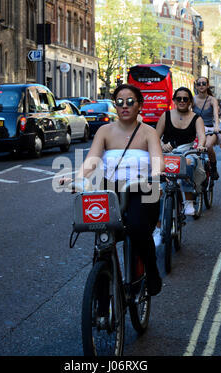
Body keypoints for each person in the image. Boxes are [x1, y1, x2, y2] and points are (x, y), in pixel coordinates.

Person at [60, 84, 165, 296]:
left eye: (130, 102)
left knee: (136, 228)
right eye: (119, 102)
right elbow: (91, 160)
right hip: (111, 189)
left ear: (140, 106)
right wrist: (78, 178)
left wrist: (155, 177)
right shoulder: (104, 131)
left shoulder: (148, 132)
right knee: (102, 238)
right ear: (115, 106)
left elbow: (158, 162)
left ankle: (151, 271)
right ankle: (100, 298)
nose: (124, 106)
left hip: (142, 189)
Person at [155, 86, 206, 223]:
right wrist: (161, 145)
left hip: (187, 153)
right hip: (167, 153)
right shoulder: (165, 116)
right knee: (157, 188)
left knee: (188, 163)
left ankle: (188, 201)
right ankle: (158, 226)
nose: (182, 101)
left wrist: (200, 146)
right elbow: (155, 137)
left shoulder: (197, 118)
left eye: (185, 99)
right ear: (174, 100)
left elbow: (202, 136)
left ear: (190, 102)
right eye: (179, 98)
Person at [193, 77, 221, 180]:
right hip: (195, 129)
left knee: (208, 146)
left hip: (210, 130)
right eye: (199, 83)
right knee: (190, 149)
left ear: (207, 85)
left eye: (204, 83)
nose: (201, 85)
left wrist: (216, 126)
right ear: (196, 86)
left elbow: (216, 115)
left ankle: (213, 168)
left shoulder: (212, 100)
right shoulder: (193, 99)